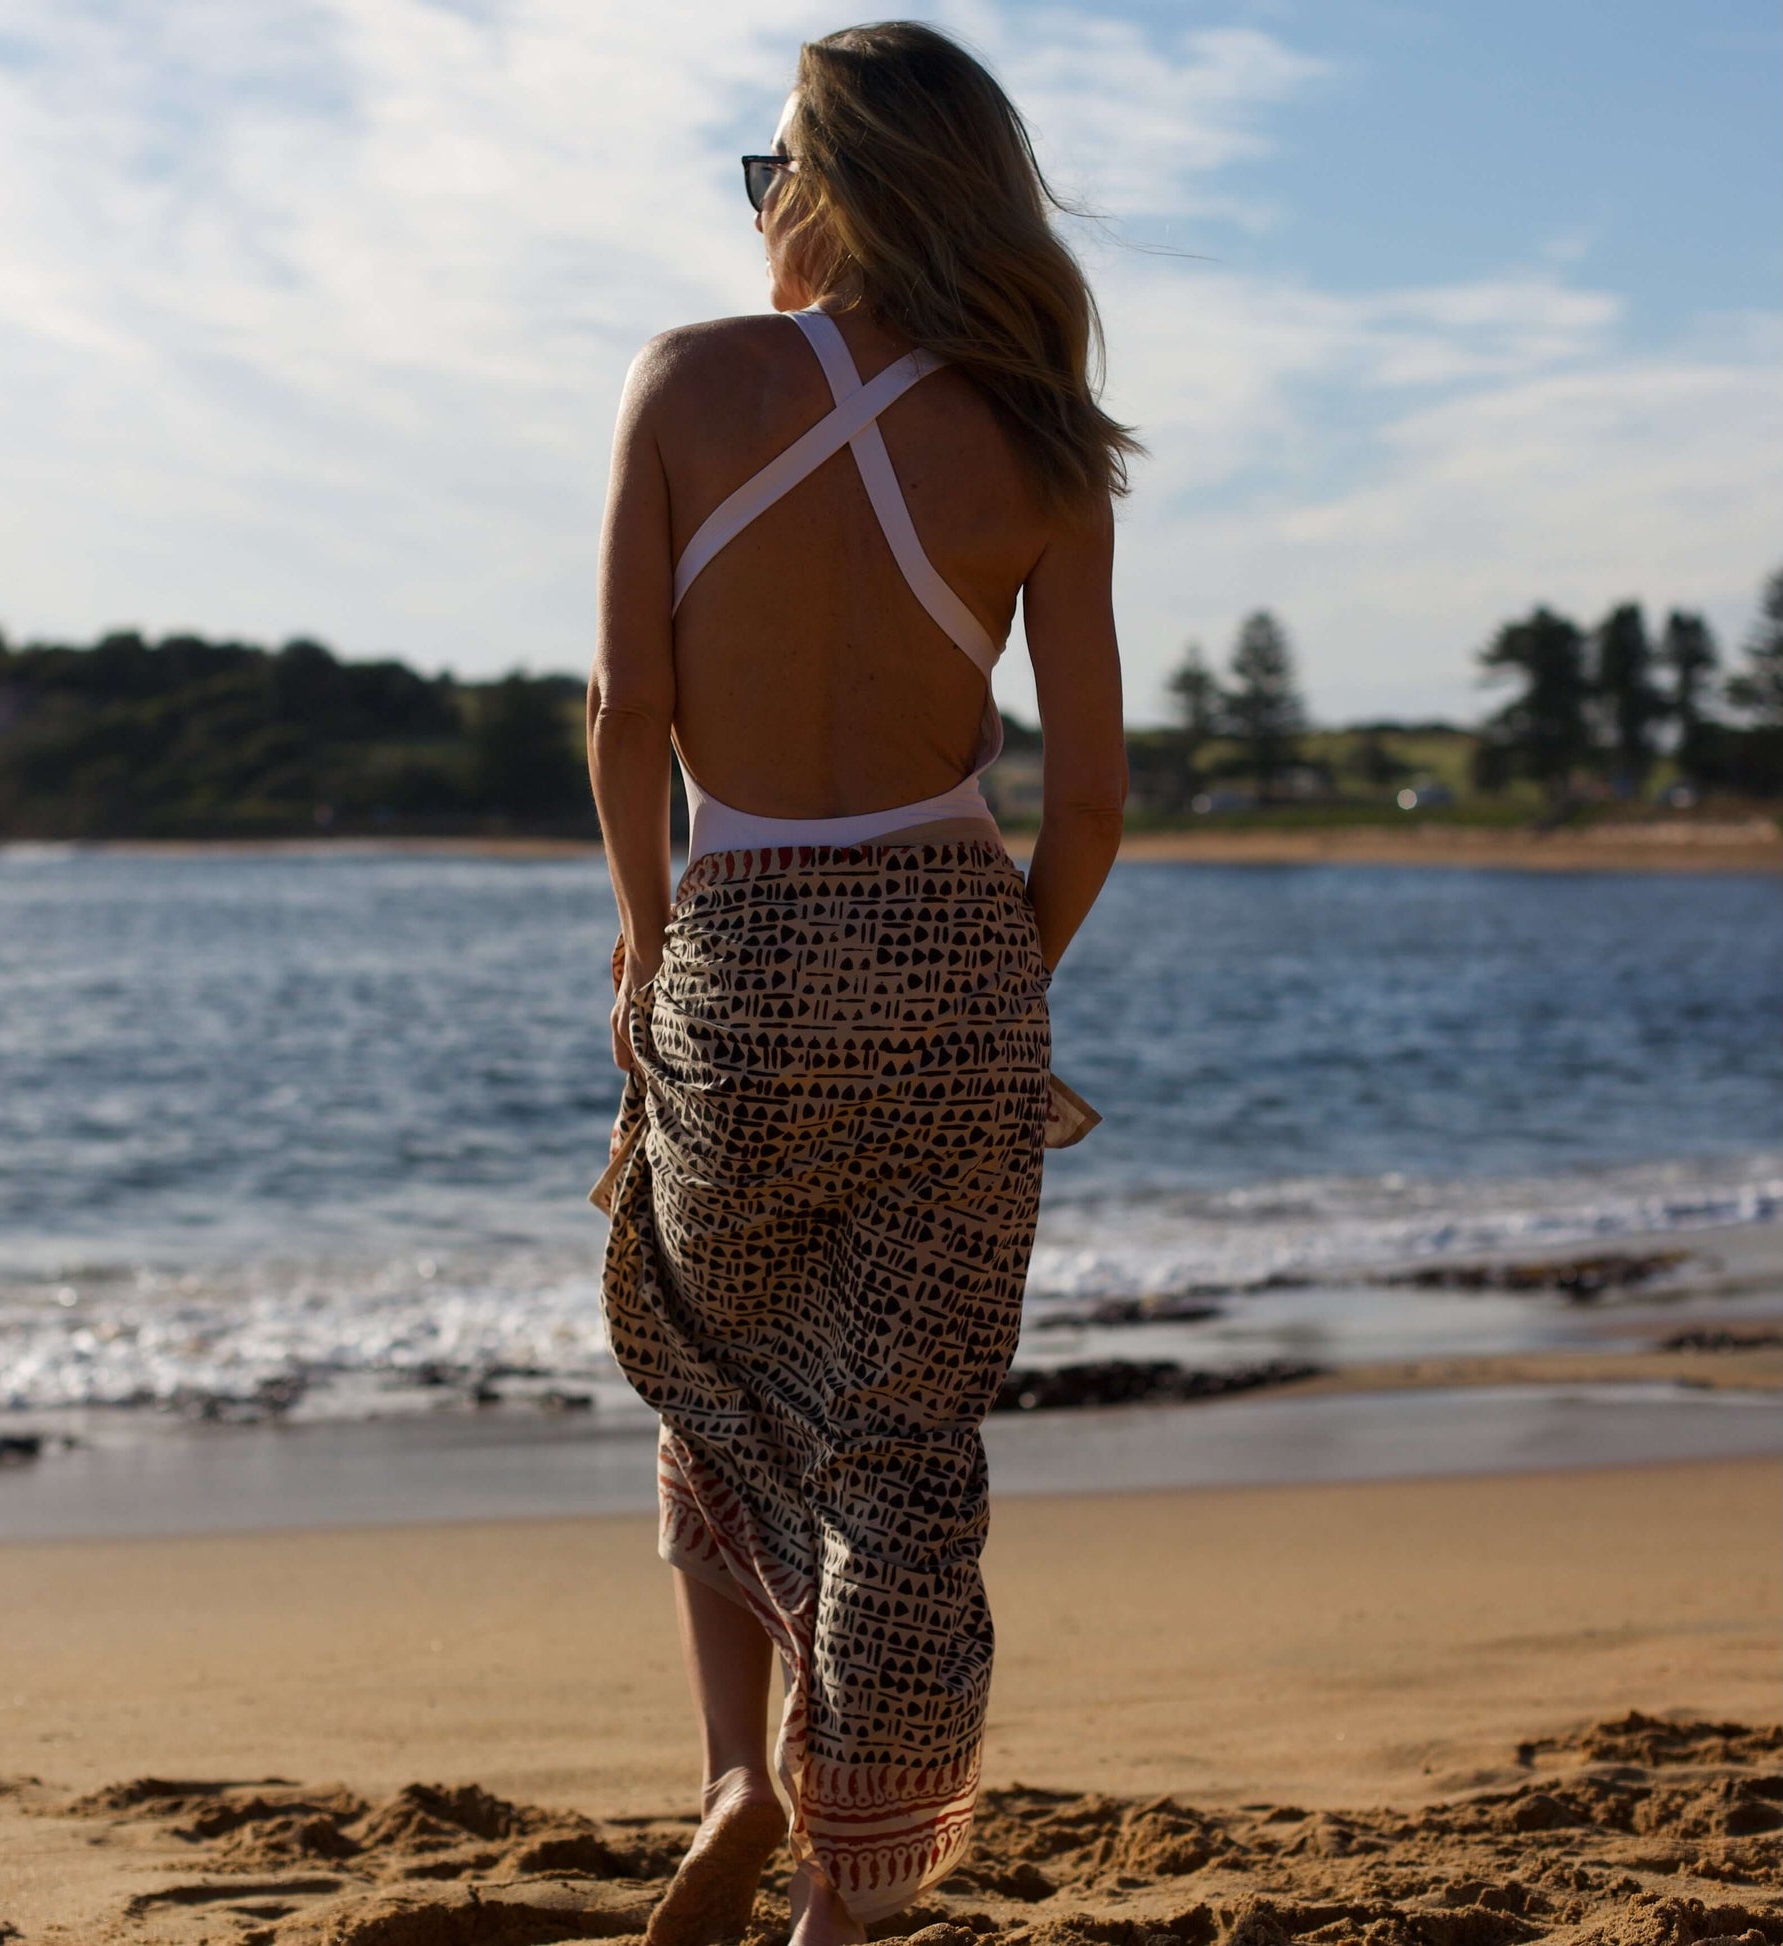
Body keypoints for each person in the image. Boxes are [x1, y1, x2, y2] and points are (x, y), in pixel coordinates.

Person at [586, 22, 1133, 1946]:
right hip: (951, 952)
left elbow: (625, 711)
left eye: (768, 174)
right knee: (904, 1447)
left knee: (720, 1364)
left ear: (826, 185)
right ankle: (851, 1895)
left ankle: (734, 1766)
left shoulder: (687, 381)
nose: (761, 215)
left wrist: (657, 954)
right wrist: (997, 986)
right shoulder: (1039, 432)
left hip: (733, 954)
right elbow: (1088, 798)